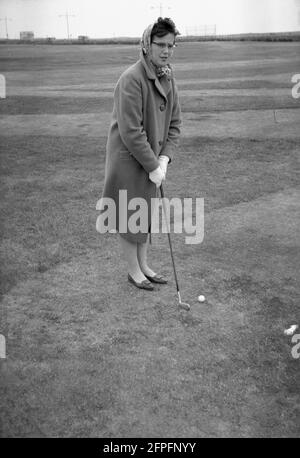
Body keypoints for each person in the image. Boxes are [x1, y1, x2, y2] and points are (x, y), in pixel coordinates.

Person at [97, 17, 181, 291]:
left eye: (171, 45)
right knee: (128, 215)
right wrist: (153, 165)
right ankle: (134, 271)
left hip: (151, 159)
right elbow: (131, 131)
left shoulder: (168, 77)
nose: (166, 50)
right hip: (128, 159)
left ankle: (144, 266)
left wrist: (164, 159)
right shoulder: (131, 79)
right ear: (147, 45)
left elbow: (175, 124)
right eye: (160, 44)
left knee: (143, 214)